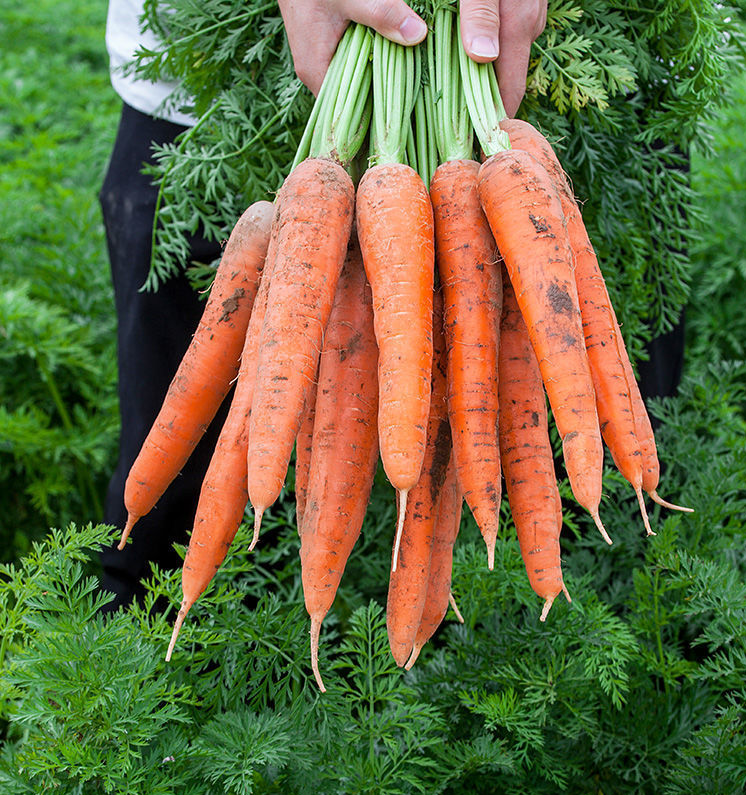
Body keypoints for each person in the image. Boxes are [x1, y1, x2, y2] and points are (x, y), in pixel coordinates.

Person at [98, 0, 549, 611]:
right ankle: (139, 627)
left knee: (541, 370)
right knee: (172, 450)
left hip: (516, 72)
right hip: (204, 93)